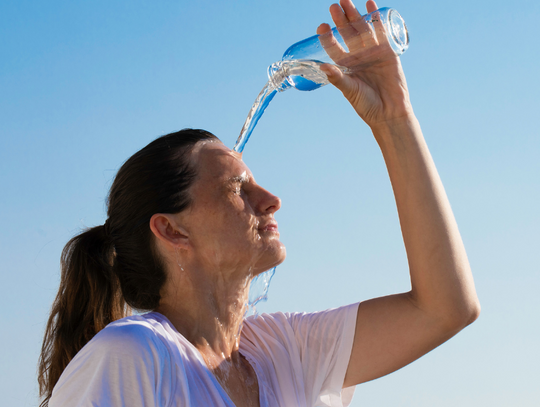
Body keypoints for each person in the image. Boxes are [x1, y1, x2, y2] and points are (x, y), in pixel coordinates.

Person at [38, 1, 480, 406]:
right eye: (236, 189)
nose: (271, 201)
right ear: (172, 230)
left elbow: (445, 309)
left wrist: (394, 118)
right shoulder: (137, 354)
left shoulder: (286, 350)